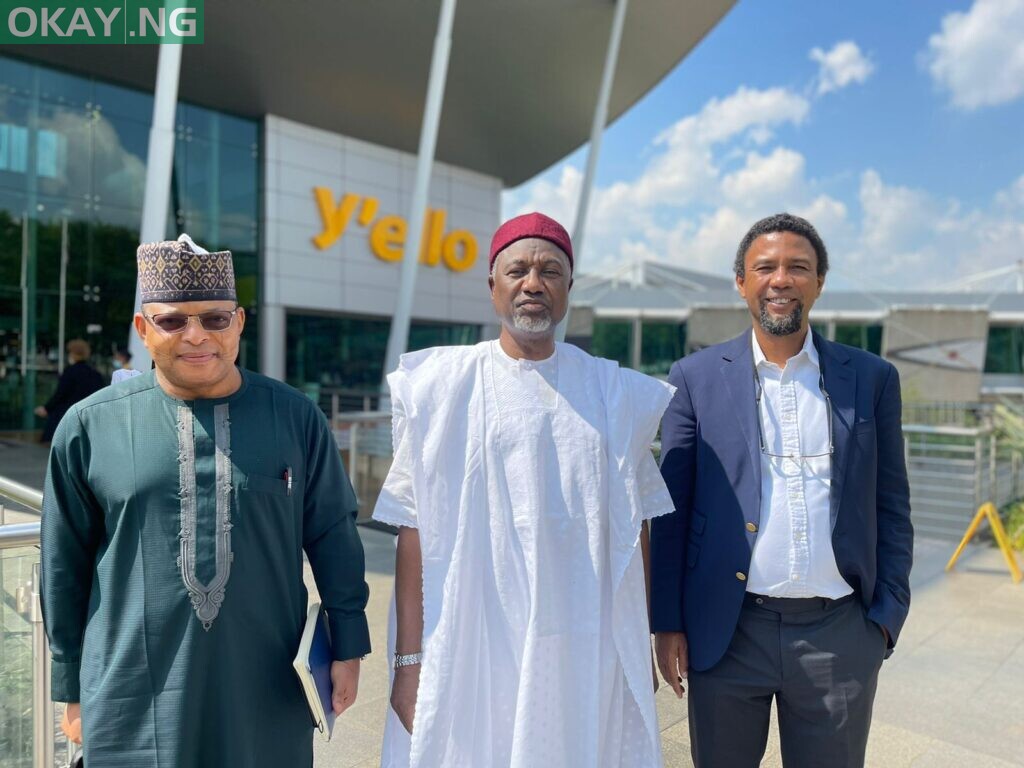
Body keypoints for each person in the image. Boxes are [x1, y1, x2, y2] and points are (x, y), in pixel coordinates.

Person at [41, 234, 371, 767]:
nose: (196, 335)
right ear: (143, 329)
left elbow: (333, 534)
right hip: (130, 695)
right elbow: (63, 567)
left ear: (238, 322)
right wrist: (71, 685)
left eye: (215, 319)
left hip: (264, 692)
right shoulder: (88, 427)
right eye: (173, 321)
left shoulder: (295, 418)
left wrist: (348, 645)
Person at [373, 213, 675, 768]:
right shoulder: (439, 389)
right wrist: (408, 662)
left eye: (550, 271)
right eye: (518, 270)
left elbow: (637, 533)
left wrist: (640, 643)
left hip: (584, 643)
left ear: (567, 291)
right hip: (470, 640)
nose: (533, 283)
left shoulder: (615, 394)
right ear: (494, 288)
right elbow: (411, 532)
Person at [651, 213, 913, 768]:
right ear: (741, 281)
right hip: (727, 632)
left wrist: (885, 620)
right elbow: (671, 512)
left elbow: (892, 507)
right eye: (764, 266)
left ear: (819, 282)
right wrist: (667, 622)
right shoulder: (694, 378)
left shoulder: (871, 379)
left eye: (798, 267)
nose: (781, 279)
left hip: (840, 635)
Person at [34, 339, 104, 442]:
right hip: (88, 418)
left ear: (73, 354)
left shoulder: (70, 372)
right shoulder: (95, 374)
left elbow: (60, 394)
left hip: (68, 416)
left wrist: (47, 408)